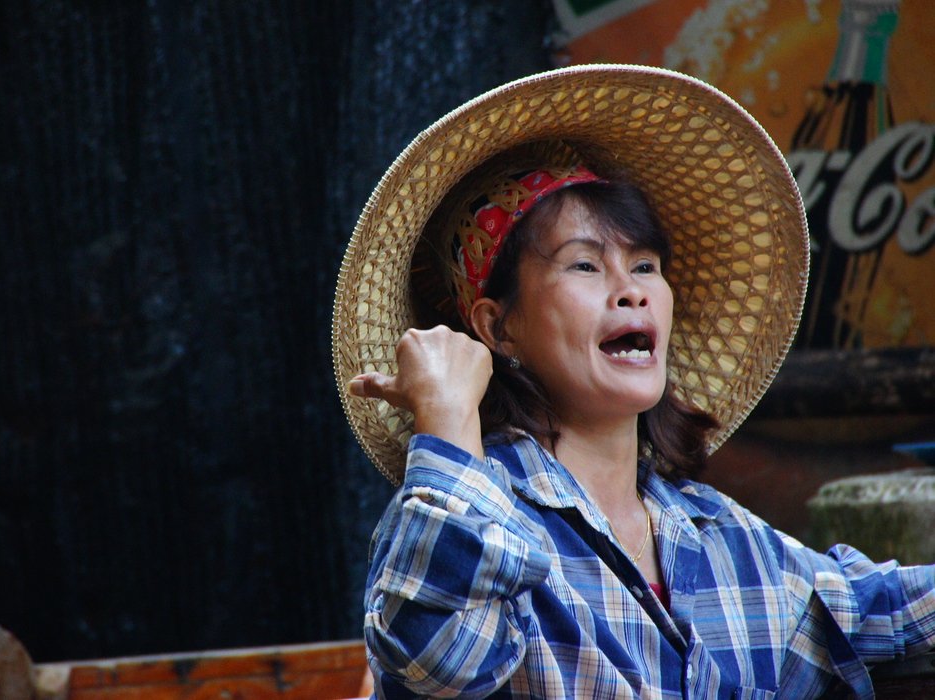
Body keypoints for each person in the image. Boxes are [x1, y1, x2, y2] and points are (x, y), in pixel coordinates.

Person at [331, 65, 935, 698]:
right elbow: (439, 664)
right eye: (585, 264)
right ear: (498, 327)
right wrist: (450, 419)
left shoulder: (718, 534)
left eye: (644, 264)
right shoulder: (483, 518)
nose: (631, 291)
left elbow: (875, 608)